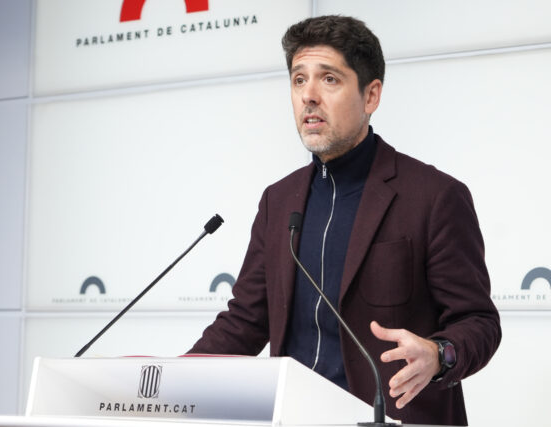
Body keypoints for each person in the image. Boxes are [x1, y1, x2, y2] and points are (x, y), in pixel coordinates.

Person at [188, 15, 501, 426]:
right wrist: (175, 378)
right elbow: (246, 320)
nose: (309, 96)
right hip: (294, 418)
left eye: (329, 79)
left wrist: (438, 354)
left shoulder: (434, 196)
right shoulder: (278, 201)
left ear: (371, 95)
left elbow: (478, 322)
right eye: (299, 80)